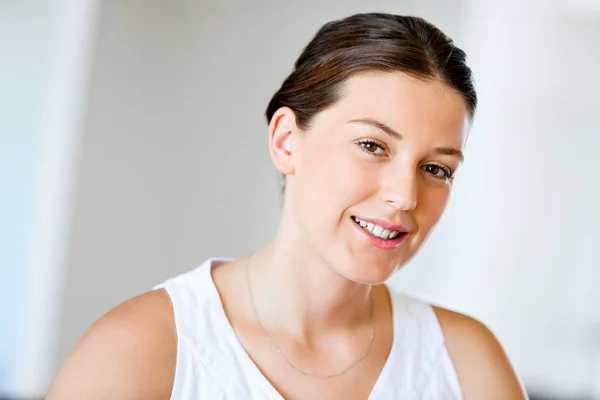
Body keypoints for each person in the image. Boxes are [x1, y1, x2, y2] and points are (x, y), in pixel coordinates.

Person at [47, 12, 526, 399]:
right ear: (285, 141)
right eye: (372, 145)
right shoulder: (141, 353)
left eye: (436, 169)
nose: (405, 195)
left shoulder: (468, 367)